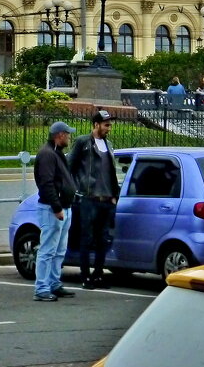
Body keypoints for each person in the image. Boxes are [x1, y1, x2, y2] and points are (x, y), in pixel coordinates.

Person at [68, 109, 120, 289]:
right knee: (86, 238)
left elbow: (111, 172)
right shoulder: (83, 142)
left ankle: (98, 275)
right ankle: (85, 276)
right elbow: (70, 168)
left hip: (106, 200)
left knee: (102, 239)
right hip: (89, 199)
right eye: (106, 125)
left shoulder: (109, 144)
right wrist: (77, 190)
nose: (109, 128)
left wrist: (114, 196)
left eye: (110, 125)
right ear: (96, 125)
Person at [33, 120, 78, 301]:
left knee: (59, 250)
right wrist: (57, 206)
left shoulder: (56, 153)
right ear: (60, 135)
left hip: (63, 208)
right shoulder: (47, 155)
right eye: (68, 134)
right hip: (53, 210)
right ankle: (42, 288)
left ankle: (53, 283)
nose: (69, 137)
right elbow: (46, 183)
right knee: (47, 250)